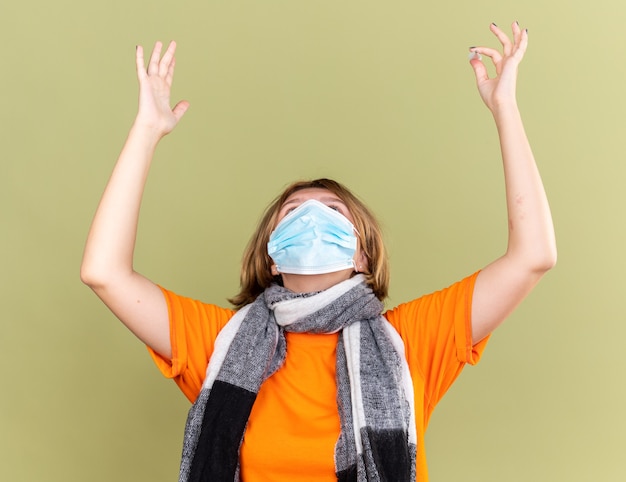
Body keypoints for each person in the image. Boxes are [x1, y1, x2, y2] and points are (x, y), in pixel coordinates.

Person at [81, 21, 556, 482]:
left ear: (362, 256)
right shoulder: (219, 343)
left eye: (333, 211)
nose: (311, 218)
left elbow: (532, 257)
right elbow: (104, 272)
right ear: (271, 256)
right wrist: (146, 129)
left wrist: (505, 109)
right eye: (293, 212)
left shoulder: (411, 341)